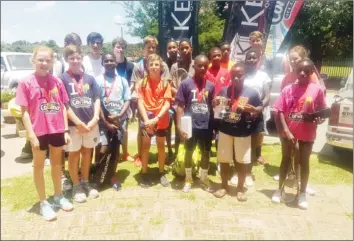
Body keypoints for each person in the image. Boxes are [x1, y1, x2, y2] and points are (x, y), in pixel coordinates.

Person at [16, 46, 74, 221]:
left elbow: (64, 106)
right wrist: (31, 135)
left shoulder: (57, 82)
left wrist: (64, 129)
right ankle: (43, 203)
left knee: (57, 165)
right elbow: (24, 112)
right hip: (39, 131)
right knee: (39, 167)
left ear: (52, 62)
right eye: (40, 59)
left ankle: (58, 196)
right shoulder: (25, 82)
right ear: (33, 60)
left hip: (56, 129)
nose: (44, 63)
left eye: (48, 60)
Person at [271, 59, 327, 209]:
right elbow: (280, 111)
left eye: (306, 70)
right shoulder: (288, 89)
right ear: (295, 70)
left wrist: (320, 118)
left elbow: (322, 110)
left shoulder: (317, 90)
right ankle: (279, 189)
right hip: (288, 134)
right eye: (299, 70)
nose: (302, 73)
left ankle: (301, 193)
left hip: (307, 134)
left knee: (304, 163)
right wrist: (287, 131)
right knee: (285, 160)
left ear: (311, 72)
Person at [212, 62, 263, 201]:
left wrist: (252, 109)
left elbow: (260, 108)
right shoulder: (224, 91)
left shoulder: (251, 92)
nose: (236, 78)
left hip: (242, 131)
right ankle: (223, 186)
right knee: (223, 160)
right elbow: (215, 106)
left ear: (244, 75)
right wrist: (215, 102)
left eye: (239, 76)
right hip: (225, 130)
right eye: (233, 75)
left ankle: (240, 188)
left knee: (241, 161)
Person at [60, 45, 101, 203]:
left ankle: (85, 181)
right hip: (73, 125)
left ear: (82, 58)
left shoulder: (89, 78)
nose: (75, 60)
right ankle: (76, 185)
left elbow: (96, 98)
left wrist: (95, 117)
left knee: (87, 153)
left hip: (91, 124)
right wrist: (77, 123)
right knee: (74, 154)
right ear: (66, 60)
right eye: (72, 58)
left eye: (78, 57)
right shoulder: (62, 79)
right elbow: (64, 104)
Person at [231, 48, 271, 187]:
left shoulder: (263, 76)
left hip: (255, 114)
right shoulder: (241, 74)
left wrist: (257, 109)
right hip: (240, 115)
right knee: (238, 145)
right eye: (249, 58)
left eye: (254, 58)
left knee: (252, 146)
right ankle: (237, 172)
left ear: (258, 59)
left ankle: (248, 173)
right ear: (245, 59)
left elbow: (267, 96)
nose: (252, 60)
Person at [175, 55, 215, 193]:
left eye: (205, 66)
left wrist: (215, 125)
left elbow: (212, 106)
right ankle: (188, 179)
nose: (202, 68)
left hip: (206, 125)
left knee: (206, 152)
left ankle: (203, 178)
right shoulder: (186, 84)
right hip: (190, 125)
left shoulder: (211, 85)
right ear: (194, 66)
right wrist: (179, 126)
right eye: (200, 65)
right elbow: (180, 106)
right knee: (188, 151)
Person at [131, 35, 170, 167]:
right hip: (143, 103)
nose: (151, 49)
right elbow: (136, 85)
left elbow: (166, 83)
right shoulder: (138, 66)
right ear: (144, 49)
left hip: (159, 105)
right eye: (149, 47)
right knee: (141, 132)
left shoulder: (162, 64)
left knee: (161, 136)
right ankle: (140, 156)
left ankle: (164, 160)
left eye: (154, 47)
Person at [96, 52, 131, 190]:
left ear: (116, 63)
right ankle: (98, 175)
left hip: (119, 122)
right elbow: (97, 102)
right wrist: (106, 122)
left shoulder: (122, 80)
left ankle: (112, 176)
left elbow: (127, 99)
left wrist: (120, 116)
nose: (109, 63)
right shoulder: (97, 80)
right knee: (102, 149)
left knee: (115, 151)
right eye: (106, 61)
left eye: (112, 61)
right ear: (102, 63)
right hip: (103, 122)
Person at [136, 54, 172, 188]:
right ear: (147, 66)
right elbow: (140, 102)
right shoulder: (142, 83)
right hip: (147, 120)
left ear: (161, 67)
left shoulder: (165, 83)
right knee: (146, 147)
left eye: (156, 65)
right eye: (151, 65)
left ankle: (161, 172)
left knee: (161, 146)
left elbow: (167, 103)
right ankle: (144, 173)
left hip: (161, 120)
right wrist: (147, 121)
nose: (154, 67)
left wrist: (156, 119)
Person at [167, 38, 194, 163]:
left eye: (186, 47)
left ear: (191, 49)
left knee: (191, 133)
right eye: (181, 48)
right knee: (178, 131)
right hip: (177, 104)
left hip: (192, 104)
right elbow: (170, 85)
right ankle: (176, 157)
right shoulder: (174, 67)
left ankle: (191, 157)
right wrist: (179, 93)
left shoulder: (195, 64)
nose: (184, 50)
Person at [111, 37, 135, 163]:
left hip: (124, 102)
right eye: (117, 47)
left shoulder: (130, 65)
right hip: (110, 103)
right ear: (113, 48)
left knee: (124, 129)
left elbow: (133, 83)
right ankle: (112, 153)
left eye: (122, 47)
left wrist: (126, 94)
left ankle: (125, 153)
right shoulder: (108, 63)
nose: (120, 50)